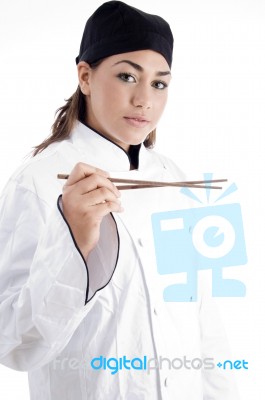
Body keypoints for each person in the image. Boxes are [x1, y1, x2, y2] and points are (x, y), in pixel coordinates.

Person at [0, 1, 239, 399]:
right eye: (127, 76)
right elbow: (14, 344)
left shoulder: (177, 179)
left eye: (159, 83)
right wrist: (72, 242)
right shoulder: (38, 183)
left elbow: (205, 322)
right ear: (86, 76)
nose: (145, 99)